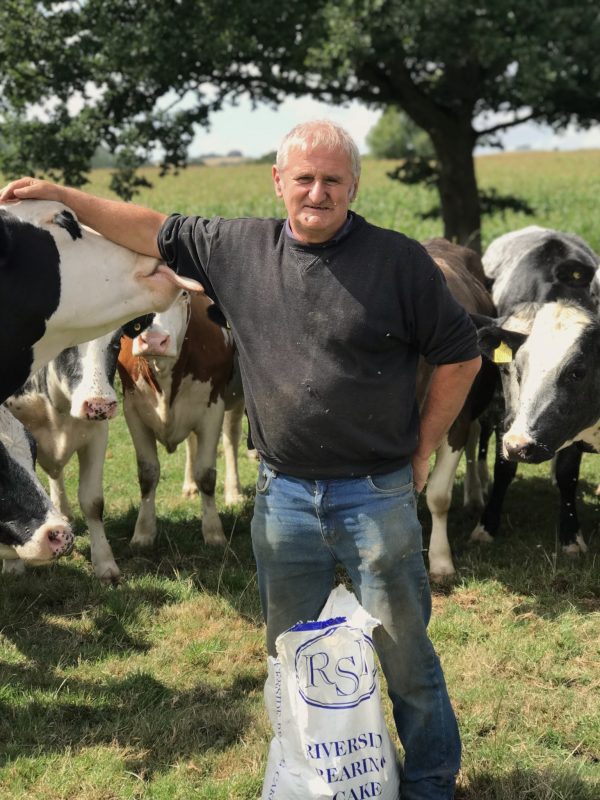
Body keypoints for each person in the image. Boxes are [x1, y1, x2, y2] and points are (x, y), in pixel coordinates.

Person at [1, 119, 481, 800]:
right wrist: (63, 197)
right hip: (282, 497)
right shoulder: (236, 248)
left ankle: (430, 782)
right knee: (289, 654)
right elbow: (148, 227)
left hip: (375, 492)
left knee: (402, 651)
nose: (318, 192)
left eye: (333, 180)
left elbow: (461, 356)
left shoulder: (398, 262)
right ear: (279, 182)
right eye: (304, 178)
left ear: (354, 185)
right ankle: (312, 780)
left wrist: (423, 445)